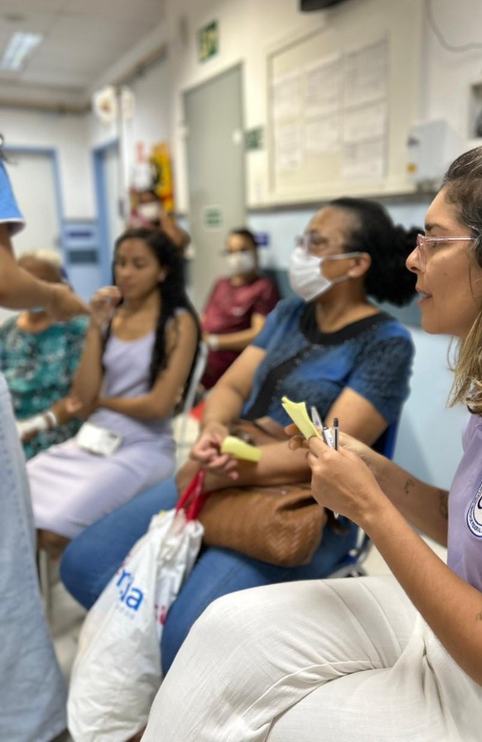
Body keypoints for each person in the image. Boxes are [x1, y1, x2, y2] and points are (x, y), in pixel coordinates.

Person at [140, 136, 482, 742]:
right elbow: (474, 525)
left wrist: (368, 507)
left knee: (288, 726)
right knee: (226, 629)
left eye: (434, 239)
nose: (414, 259)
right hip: (465, 624)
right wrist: (373, 469)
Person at [61, 197, 418, 679]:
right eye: (302, 240)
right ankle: (147, 683)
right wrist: (213, 429)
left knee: (186, 632)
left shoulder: (386, 342)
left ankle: (173, 703)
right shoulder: (290, 314)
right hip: (225, 464)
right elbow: (230, 385)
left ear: (356, 263)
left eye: (317, 242)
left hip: (304, 500)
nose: (302, 252)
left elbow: (333, 453)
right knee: (83, 566)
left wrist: (230, 467)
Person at [28, 227, 199, 559]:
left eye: (138, 264)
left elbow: (159, 406)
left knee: (54, 530)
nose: (126, 273)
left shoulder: (179, 323)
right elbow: (81, 396)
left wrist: (100, 402)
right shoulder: (109, 318)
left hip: (142, 447)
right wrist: (95, 326)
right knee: (13, 499)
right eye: (120, 263)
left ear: (163, 271)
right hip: (90, 441)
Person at [0, 140, 89, 742]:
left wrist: (37, 427)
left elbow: (81, 402)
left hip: (60, 432)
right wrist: (51, 298)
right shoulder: (14, 326)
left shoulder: (78, 332)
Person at [0, 249, 89, 459]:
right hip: (10, 428)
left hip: (56, 429)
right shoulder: (7, 332)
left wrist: (37, 425)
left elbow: (80, 396)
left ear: (60, 284)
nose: (34, 290)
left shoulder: (76, 330)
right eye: (28, 282)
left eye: (41, 282)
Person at [200, 227, 280, 391]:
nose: (237, 257)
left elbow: (259, 335)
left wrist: (214, 342)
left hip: (230, 364)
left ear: (256, 252)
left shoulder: (263, 287)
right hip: (202, 357)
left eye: (243, 250)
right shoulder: (221, 284)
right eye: (231, 251)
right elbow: (203, 319)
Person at [128, 186, 190, 254]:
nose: (147, 207)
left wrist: (164, 217)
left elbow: (178, 241)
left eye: (150, 202)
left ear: (158, 204)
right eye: (143, 203)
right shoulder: (137, 230)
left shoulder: (170, 225)